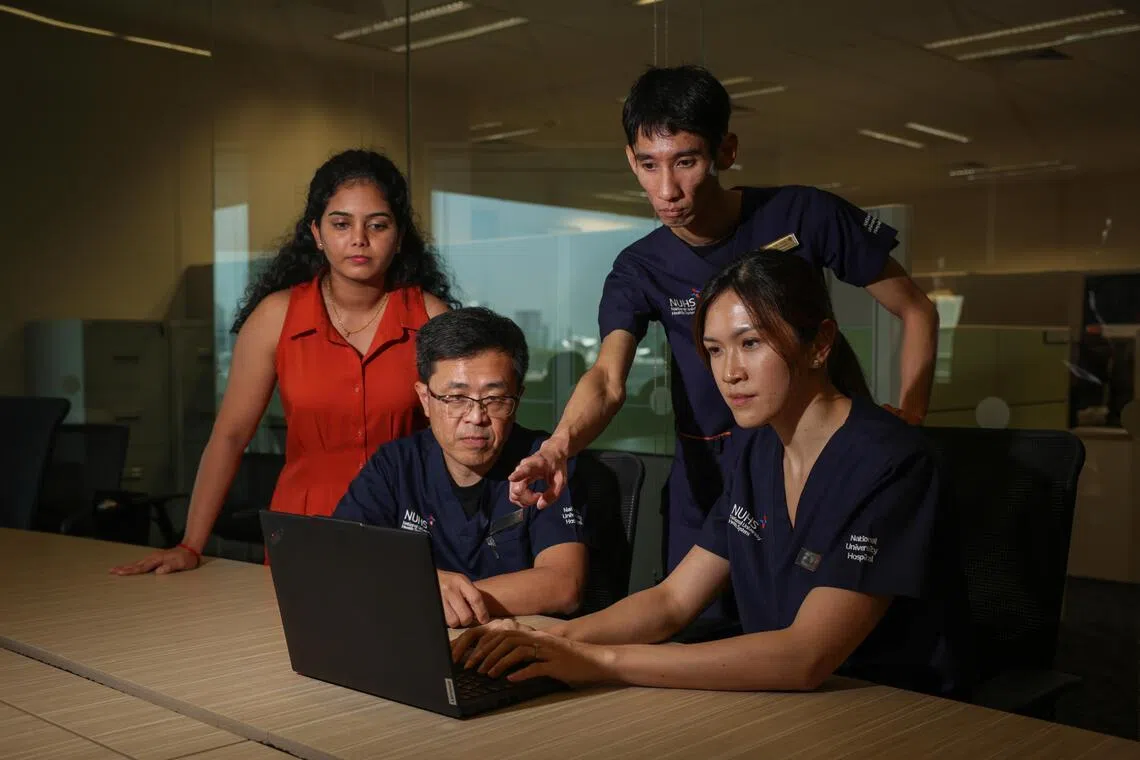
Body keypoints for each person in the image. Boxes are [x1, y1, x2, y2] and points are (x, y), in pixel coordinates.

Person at [508, 65, 940, 606]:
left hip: (812, 461)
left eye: (686, 161)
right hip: (707, 479)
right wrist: (557, 448)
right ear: (630, 161)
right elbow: (607, 379)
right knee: (693, 624)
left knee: (817, 634)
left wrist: (912, 414)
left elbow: (916, 309)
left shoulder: (803, 215)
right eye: (648, 165)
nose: (667, 190)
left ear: (725, 151)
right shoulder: (638, 267)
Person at [453, 252, 969, 697]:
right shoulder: (756, 448)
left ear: (820, 343)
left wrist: (598, 662)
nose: (729, 372)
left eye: (750, 344)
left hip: (884, 705)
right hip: (775, 698)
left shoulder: (890, 461)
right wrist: (557, 639)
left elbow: (804, 656)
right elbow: (672, 602)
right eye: (715, 350)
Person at [111, 149, 456, 576]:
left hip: (411, 522)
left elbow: (463, 438)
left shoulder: (432, 317)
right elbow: (230, 436)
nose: (359, 239)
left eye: (378, 225)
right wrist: (190, 544)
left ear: (399, 235)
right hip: (306, 524)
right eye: (341, 223)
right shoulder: (276, 317)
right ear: (316, 232)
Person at [334, 307, 588, 627]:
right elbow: (341, 555)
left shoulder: (545, 465)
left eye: (495, 399)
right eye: (456, 398)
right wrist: (429, 589)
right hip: (420, 640)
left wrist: (433, 594)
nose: (476, 417)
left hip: (523, 644)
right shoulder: (396, 464)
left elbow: (564, 585)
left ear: (517, 400)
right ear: (425, 399)